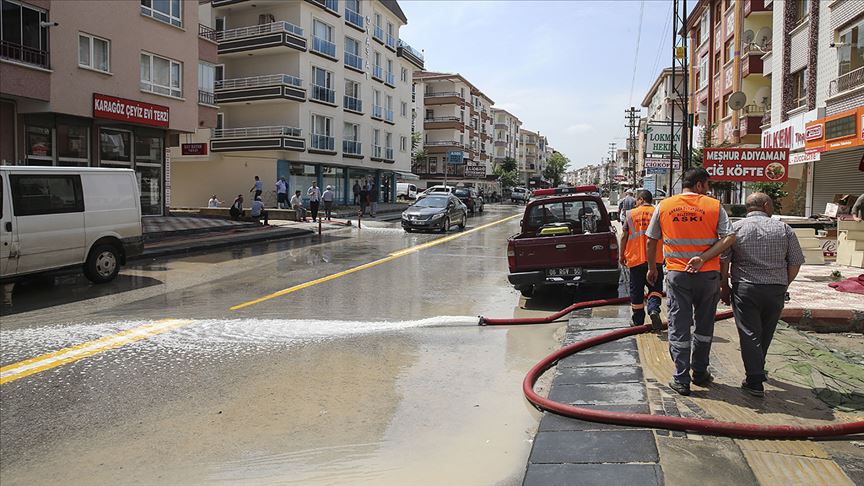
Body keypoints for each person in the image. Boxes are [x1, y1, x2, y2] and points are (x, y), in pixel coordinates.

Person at [646, 168, 736, 396]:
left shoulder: (664, 206)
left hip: (677, 275)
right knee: (704, 325)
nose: (708, 189)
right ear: (698, 185)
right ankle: (700, 371)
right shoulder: (714, 206)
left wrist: (652, 268)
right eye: (706, 184)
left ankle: (681, 378)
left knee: (679, 324)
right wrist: (704, 258)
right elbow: (729, 237)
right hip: (708, 275)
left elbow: (651, 240)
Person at [720, 193, 805, 397]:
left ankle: (754, 379)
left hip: (746, 288)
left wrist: (724, 285)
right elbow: (795, 262)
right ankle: (757, 369)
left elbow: (724, 261)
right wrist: (784, 283)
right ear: (766, 206)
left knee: (749, 332)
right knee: (766, 332)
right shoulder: (784, 229)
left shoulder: (736, 229)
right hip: (775, 289)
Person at [619, 190, 664, 329]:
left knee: (637, 290)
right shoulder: (658, 213)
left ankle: (638, 321)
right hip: (655, 259)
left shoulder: (631, 214)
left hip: (636, 259)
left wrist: (621, 255)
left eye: (636, 200)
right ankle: (653, 309)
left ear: (641, 199)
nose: (635, 203)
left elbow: (624, 236)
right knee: (655, 287)